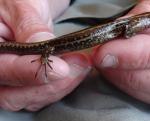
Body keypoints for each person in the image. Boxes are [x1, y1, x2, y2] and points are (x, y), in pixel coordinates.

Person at [0, 0, 148, 112]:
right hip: (54, 37)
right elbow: (128, 31)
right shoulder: (131, 24)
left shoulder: (130, 23)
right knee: (45, 52)